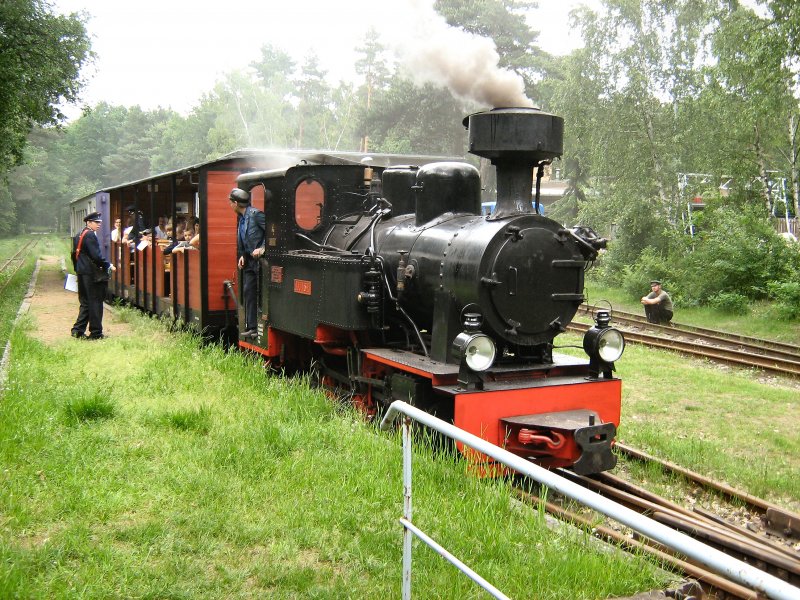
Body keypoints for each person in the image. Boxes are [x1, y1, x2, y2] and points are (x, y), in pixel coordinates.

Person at [70, 212, 116, 340]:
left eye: (99, 222)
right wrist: (108, 265)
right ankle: (96, 333)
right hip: (91, 274)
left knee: (85, 302)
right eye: (96, 222)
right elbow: (96, 256)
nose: (99, 225)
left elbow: (75, 254)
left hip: (82, 272)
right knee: (95, 302)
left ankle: (78, 330)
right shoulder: (90, 235)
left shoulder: (79, 234)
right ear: (88, 222)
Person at [230, 188, 265, 337]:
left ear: (236, 203)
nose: (230, 205)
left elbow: (272, 231)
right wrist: (242, 255)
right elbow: (244, 239)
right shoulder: (242, 218)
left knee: (259, 293)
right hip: (249, 261)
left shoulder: (256, 215)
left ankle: (260, 326)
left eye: (231, 203)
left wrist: (263, 247)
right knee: (248, 291)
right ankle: (252, 327)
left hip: (261, 262)